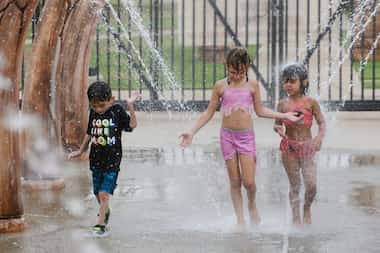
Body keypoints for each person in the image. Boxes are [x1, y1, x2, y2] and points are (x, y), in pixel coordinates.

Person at [179, 47, 301, 230]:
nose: (236, 76)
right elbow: (209, 113)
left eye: (241, 72)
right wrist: (192, 131)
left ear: (247, 68)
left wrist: (285, 116)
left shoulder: (252, 86)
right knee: (235, 181)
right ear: (227, 67)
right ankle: (240, 219)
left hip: (246, 138)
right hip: (227, 137)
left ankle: (251, 204)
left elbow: (260, 111)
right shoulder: (220, 86)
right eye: (233, 72)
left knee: (249, 182)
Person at [68, 81, 140, 236]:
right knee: (97, 192)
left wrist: (130, 106)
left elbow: (132, 125)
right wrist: (81, 151)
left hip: (112, 161)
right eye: (94, 106)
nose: (98, 109)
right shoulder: (94, 112)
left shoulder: (117, 111)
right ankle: (105, 211)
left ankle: (101, 225)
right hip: (95, 160)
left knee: (103, 194)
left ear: (111, 100)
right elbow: (90, 133)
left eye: (101, 105)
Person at [273, 63, 326, 227]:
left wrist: (319, 138)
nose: (288, 84)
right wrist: (278, 129)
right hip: (289, 147)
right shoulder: (282, 104)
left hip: (307, 147)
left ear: (303, 82)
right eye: (285, 81)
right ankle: (296, 217)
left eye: (292, 81)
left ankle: (306, 207)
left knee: (311, 186)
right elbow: (277, 123)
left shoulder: (311, 103)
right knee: (295, 185)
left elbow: (322, 123)